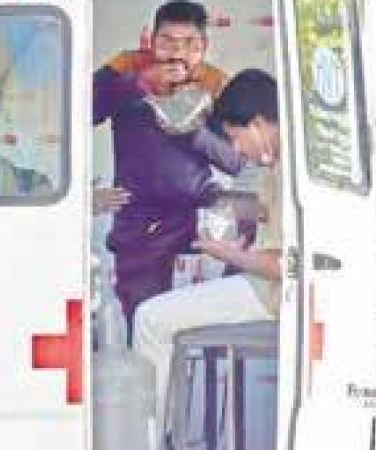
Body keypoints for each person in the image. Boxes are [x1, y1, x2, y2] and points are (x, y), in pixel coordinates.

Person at [132, 69, 281, 436]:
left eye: (236, 137)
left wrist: (223, 252)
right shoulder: (281, 168)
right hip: (264, 286)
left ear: (259, 123)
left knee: (150, 319)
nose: (237, 149)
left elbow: (281, 266)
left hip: (271, 296)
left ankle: (148, 436)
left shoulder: (283, 170)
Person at [93, 1, 243, 344]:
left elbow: (236, 160)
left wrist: (193, 130)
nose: (178, 54)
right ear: (150, 40)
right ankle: (151, 398)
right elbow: (82, 109)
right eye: (168, 42)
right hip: (139, 224)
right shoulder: (127, 66)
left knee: (206, 339)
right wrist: (138, 83)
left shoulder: (216, 83)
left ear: (203, 46)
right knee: (143, 326)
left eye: (190, 44)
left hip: (200, 220)